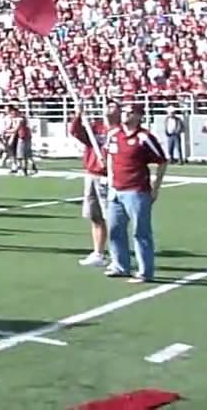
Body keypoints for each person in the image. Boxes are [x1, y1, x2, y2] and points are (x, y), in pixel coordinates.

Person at [103, 104, 167, 284]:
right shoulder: (113, 135)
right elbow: (109, 156)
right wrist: (109, 180)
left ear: (139, 116)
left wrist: (155, 187)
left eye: (130, 112)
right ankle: (120, 265)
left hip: (136, 191)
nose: (125, 114)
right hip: (115, 190)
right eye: (124, 111)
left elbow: (161, 161)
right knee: (115, 230)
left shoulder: (144, 137)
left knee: (141, 232)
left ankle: (145, 271)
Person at [70, 101, 120, 268]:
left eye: (113, 106)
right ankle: (98, 253)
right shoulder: (95, 127)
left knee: (112, 218)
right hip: (92, 174)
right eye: (107, 105)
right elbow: (76, 132)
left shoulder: (120, 130)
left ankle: (117, 256)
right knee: (94, 215)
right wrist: (78, 115)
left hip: (109, 177)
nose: (108, 108)